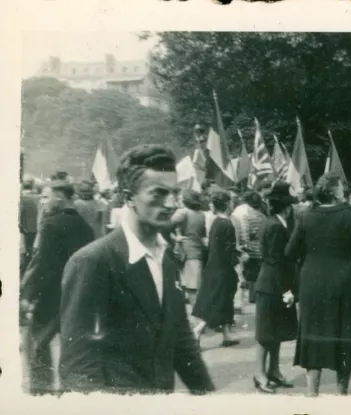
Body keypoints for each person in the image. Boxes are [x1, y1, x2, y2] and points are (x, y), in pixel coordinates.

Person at [59, 145, 214, 394]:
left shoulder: (166, 256)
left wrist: (206, 394)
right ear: (129, 197)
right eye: (159, 194)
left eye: (175, 193)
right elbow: (79, 368)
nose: (172, 203)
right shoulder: (93, 261)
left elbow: (180, 336)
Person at [285, 172, 351, 396]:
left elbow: (290, 251)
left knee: (314, 334)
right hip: (345, 282)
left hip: (312, 282)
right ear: (334, 190)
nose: (345, 189)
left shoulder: (305, 216)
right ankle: (342, 394)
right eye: (342, 186)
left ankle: (312, 394)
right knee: (345, 334)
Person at [21, 180, 94, 394]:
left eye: (46, 196)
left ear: (60, 197)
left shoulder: (51, 224)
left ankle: (40, 392)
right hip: (77, 293)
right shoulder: (84, 226)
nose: (42, 202)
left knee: (35, 343)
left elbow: (43, 264)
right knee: (72, 346)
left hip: (51, 294)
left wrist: (28, 294)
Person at [253, 183, 299, 394]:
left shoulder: (273, 222)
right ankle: (260, 374)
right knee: (266, 333)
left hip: (275, 284)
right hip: (273, 285)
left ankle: (273, 371)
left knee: (275, 331)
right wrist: (286, 290)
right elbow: (274, 261)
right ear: (286, 207)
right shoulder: (274, 226)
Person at [192, 191, 244, 347]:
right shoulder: (227, 224)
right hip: (224, 269)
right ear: (228, 204)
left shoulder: (215, 222)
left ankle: (227, 336)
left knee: (225, 301)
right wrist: (238, 262)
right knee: (218, 302)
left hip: (214, 266)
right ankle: (197, 330)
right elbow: (228, 250)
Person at [171, 190, 206, 307]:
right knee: (195, 285)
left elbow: (166, 226)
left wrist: (175, 238)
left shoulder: (182, 212)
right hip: (196, 251)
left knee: (190, 286)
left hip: (184, 251)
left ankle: (195, 313)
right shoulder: (202, 214)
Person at [20, 177, 41, 277]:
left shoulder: (21, 197)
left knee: (25, 252)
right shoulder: (39, 197)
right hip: (36, 228)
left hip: (25, 229)